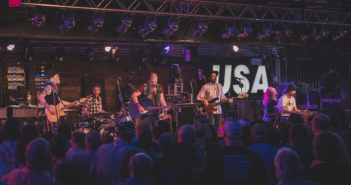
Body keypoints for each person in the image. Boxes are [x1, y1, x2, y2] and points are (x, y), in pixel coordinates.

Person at [201, 120, 268, 185]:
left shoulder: (214, 158)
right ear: (241, 134)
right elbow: (262, 181)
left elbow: (204, 182)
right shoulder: (254, 157)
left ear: (224, 135)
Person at [38, 68, 75, 134]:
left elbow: (59, 101)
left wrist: (71, 103)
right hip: (52, 112)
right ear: (53, 77)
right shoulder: (48, 87)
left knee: (58, 131)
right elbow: (40, 97)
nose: (59, 77)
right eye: (57, 76)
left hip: (57, 112)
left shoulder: (54, 87)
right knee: (56, 132)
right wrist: (50, 108)